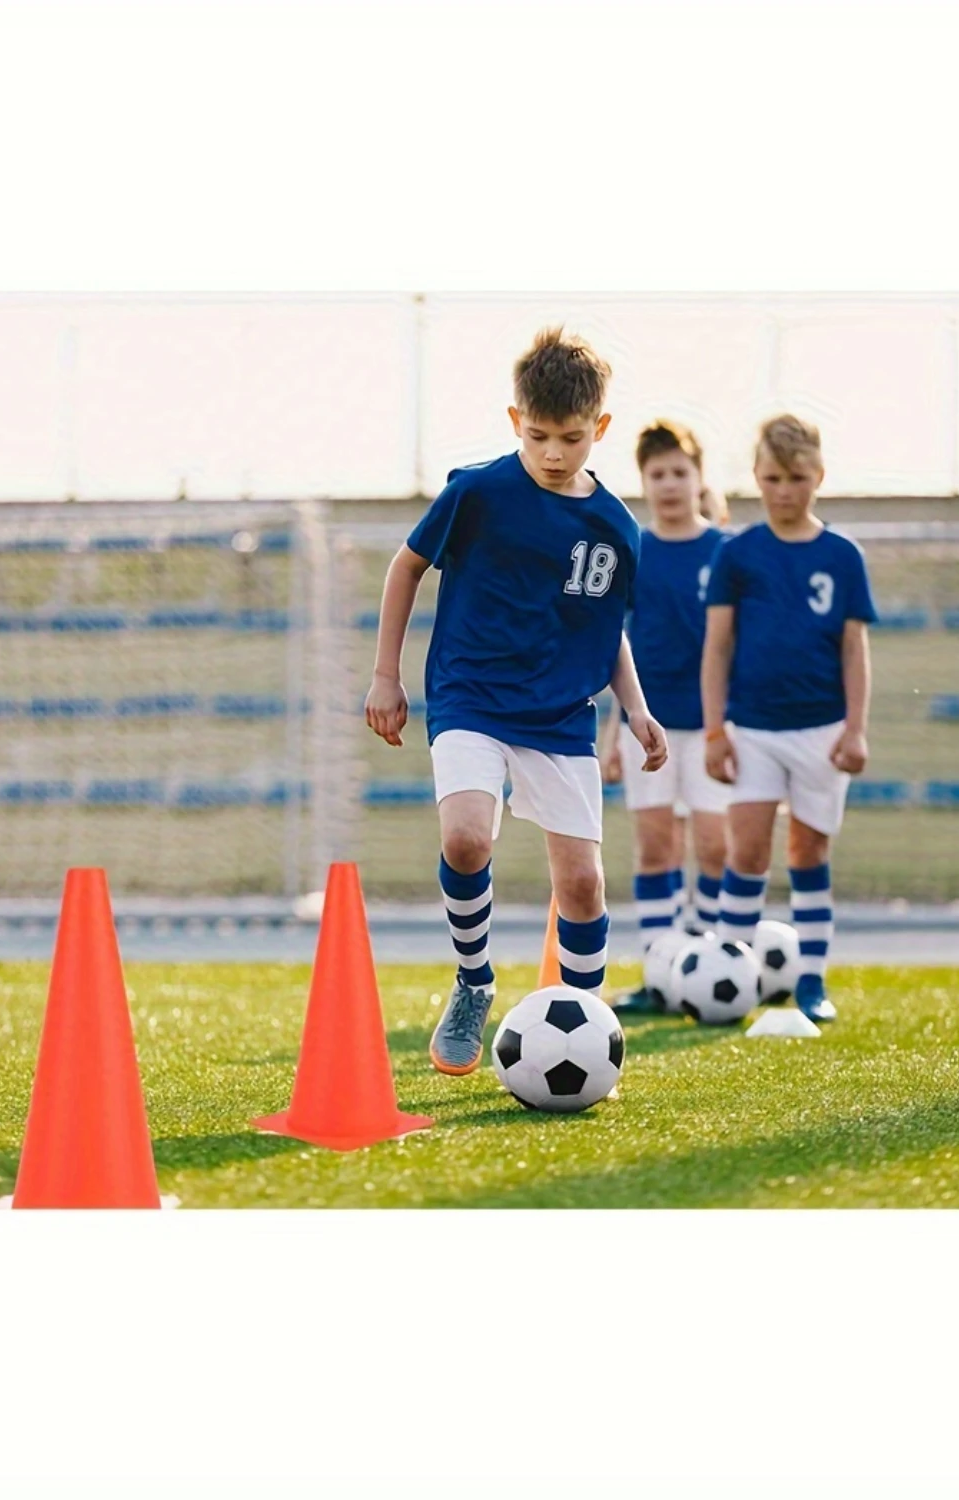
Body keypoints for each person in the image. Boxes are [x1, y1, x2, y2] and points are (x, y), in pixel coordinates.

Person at [364, 327, 667, 1074]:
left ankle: (589, 1033)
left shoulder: (616, 529)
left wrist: (635, 708)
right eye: (538, 436)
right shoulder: (477, 492)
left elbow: (607, 630)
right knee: (467, 837)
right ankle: (474, 982)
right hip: (470, 696)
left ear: (599, 428)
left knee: (585, 886)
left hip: (561, 716)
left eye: (571, 437)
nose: (554, 453)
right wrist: (385, 675)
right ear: (514, 422)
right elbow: (406, 569)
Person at [700, 414, 876, 1023]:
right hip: (751, 728)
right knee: (745, 850)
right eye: (772, 478)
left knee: (808, 851)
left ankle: (811, 980)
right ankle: (730, 968)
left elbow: (854, 649)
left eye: (797, 477)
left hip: (822, 730)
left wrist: (855, 728)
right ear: (756, 477)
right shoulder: (738, 555)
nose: (783, 490)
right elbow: (716, 648)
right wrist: (716, 730)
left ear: (818, 476)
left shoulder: (842, 556)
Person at [599, 421, 730, 1015]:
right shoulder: (634, 550)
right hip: (645, 727)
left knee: (715, 847)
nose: (670, 483)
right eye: (658, 474)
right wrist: (611, 731)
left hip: (713, 729)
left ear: (699, 478)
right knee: (656, 848)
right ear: (644, 481)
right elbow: (613, 645)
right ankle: (659, 972)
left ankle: (706, 964)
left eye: (680, 472)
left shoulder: (726, 553)